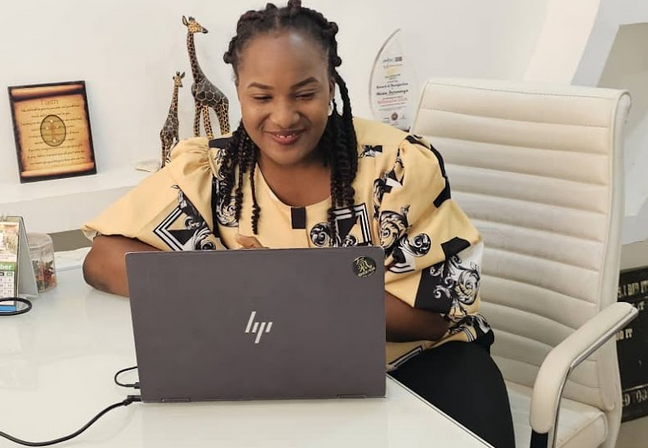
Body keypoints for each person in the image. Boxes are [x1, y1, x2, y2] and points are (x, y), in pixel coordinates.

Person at [82, 1, 516, 446]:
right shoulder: (216, 169)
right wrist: (229, 283)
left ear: (330, 86)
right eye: (262, 97)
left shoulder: (396, 167)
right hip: (282, 364)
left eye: (305, 94)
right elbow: (102, 259)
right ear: (238, 91)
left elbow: (430, 318)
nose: (284, 116)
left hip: (420, 365)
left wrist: (285, 288)